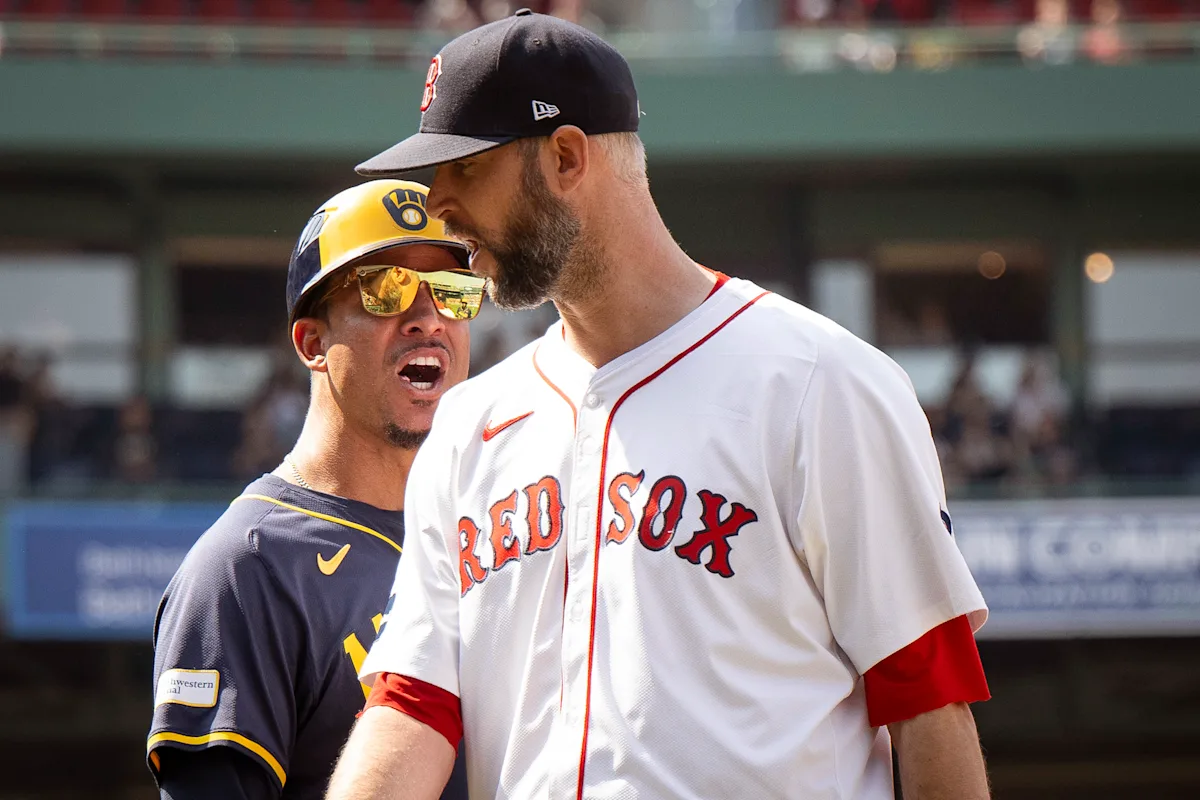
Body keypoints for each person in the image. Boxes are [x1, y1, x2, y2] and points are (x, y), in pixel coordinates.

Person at [329, 11, 991, 800]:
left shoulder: (822, 384)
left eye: (465, 168)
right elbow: (412, 706)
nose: (436, 199)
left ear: (566, 157)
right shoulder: (468, 427)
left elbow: (929, 705)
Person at [147, 180, 484, 800]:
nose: (428, 318)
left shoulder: (494, 529)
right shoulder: (244, 568)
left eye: (452, 291)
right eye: (386, 290)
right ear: (313, 343)